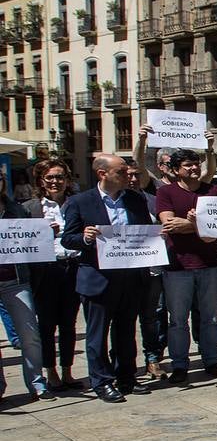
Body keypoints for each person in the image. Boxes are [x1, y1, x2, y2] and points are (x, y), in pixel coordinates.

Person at [60, 154, 155, 403]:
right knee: (97, 333)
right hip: (97, 278)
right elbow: (67, 238)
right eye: (122, 172)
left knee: (125, 331)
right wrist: (85, 238)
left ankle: (127, 376)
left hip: (130, 277)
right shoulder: (80, 202)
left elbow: (144, 231)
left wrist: (157, 240)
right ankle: (101, 381)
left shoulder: (135, 199)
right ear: (103, 174)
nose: (129, 176)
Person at [157, 148, 217, 382]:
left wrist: (195, 224)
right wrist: (199, 223)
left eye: (196, 164)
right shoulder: (165, 192)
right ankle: (179, 365)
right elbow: (169, 224)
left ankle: (212, 361)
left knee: (211, 318)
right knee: (177, 320)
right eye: (188, 165)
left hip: (211, 264)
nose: (194, 168)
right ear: (176, 170)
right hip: (178, 267)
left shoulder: (213, 191)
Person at [24, 159, 82, 391]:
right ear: (41, 181)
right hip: (46, 270)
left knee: (69, 323)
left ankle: (67, 371)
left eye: (60, 177)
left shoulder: (77, 203)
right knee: (47, 325)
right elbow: (22, 242)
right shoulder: (29, 208)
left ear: (67, 180)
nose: (55, 182)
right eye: (50, 178)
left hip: (74, 267)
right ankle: (51, 372)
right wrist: (42, 234)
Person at [0, 170, 50, 402]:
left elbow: (30, 243)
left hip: (16, 281)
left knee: (30, 335)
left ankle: (36, 382)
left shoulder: (17, 210)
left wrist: (44, 236)